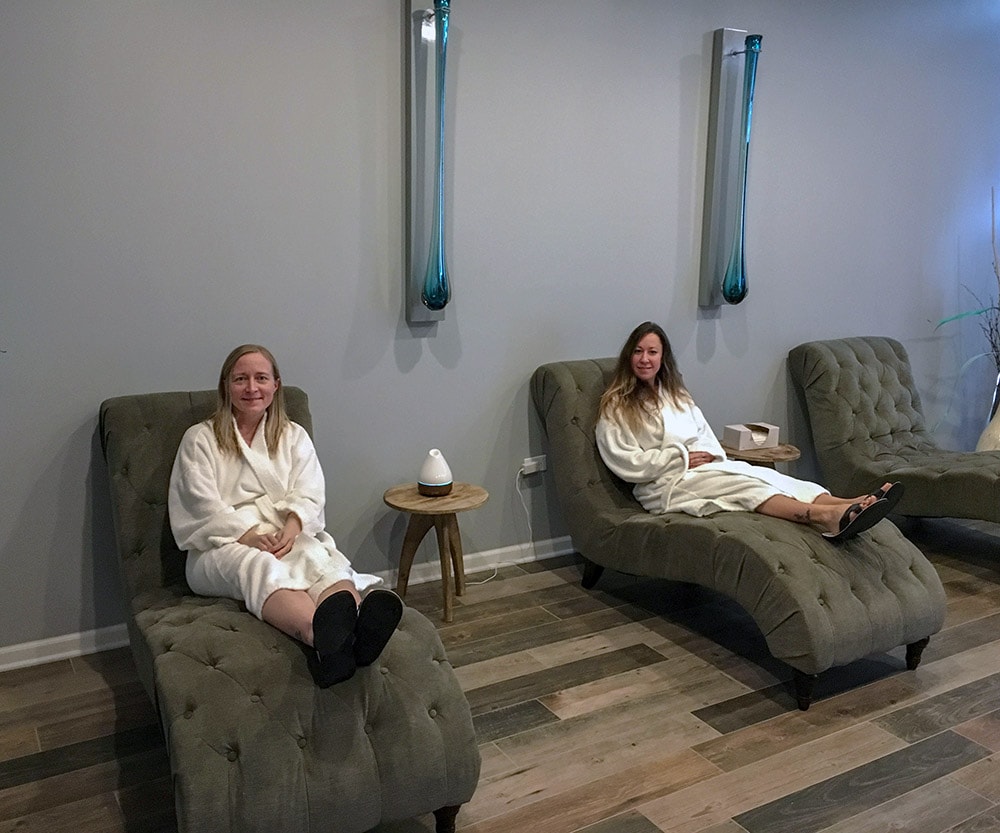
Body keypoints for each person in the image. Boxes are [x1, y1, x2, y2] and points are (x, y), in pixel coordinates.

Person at [168, 344, 402, 687]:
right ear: (225, 386)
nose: (251, 388)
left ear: (276, 384)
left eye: (261, 378)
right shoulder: (200, 439)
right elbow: (199, 503)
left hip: (284, 532)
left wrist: (292, 529)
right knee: (261, 565)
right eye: (241, 379)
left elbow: (309, 491)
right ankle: (320, 639)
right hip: (218, 546)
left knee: (320, 557)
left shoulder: (293, 436)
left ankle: (355, 634)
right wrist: (248, 534)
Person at [595, 322, 902, 542]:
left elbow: (705, 438)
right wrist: (680, 459)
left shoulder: (677, 396)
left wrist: (711, 457)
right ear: (629, 356)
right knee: (748, 489)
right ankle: (824, 517)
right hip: (665, 485)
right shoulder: (616, 406)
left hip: (706, 468)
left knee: (770, 476)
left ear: (663, 359)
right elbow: (625, 461)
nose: (645, 359)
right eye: (638, 351)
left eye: (652, 352)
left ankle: (852, 503)